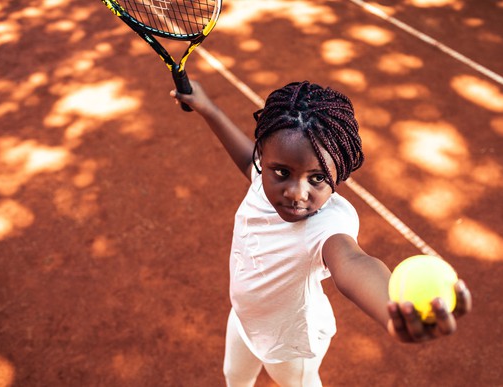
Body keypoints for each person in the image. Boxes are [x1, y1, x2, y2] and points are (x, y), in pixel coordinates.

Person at [170, 81, 472, 387]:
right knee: (234, 377)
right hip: (245, 319)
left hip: (290, 345)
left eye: (317, 178)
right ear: (266, 157)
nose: (296, 193)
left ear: (338, 175)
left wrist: (389, 310)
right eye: (283, 173)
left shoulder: (327, 227)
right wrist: (208, 108)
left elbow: (353, 263)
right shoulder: (263, 181)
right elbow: (250, 162)